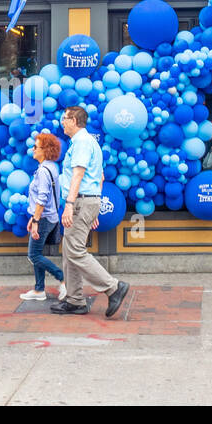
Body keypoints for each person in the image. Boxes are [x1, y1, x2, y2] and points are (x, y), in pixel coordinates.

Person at [52, 106, 130, 317]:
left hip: (79, 202)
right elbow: (100, 177)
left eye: (65, 118)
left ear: (75, 121)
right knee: (70, 252)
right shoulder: (85, 142)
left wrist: (70, 204)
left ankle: (113, 287)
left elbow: (78, 175)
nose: (62, 121)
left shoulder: (82, 143)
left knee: (75, 251)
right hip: (85, 201)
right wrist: (91, 206)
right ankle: (75, 300)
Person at [20, 132, 65, 301]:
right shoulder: (51, 167)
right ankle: (39, 290)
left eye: (35, 147)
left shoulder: (44, 171)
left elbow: (43, 197)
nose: (32, 149)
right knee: (37, 253)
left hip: (44, 218)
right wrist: (33, 217)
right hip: (48, 216)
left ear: (45, 150)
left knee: (33, 255)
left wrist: (36, 220)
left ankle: (62, 278)